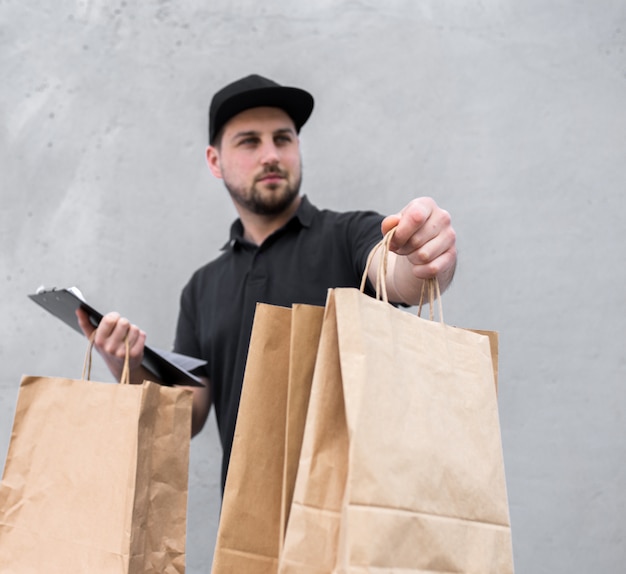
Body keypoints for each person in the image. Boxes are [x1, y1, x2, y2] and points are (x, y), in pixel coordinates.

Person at [77, 74, 457, 491]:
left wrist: (424, 254)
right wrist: (127, 367)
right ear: (214, 160)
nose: (271, 155)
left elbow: (400, 274)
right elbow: (189, 418)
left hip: (354, 525)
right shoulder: (202, 287)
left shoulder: (348, 234)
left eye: (283, 138)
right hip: (246, 530)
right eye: (249, 142)